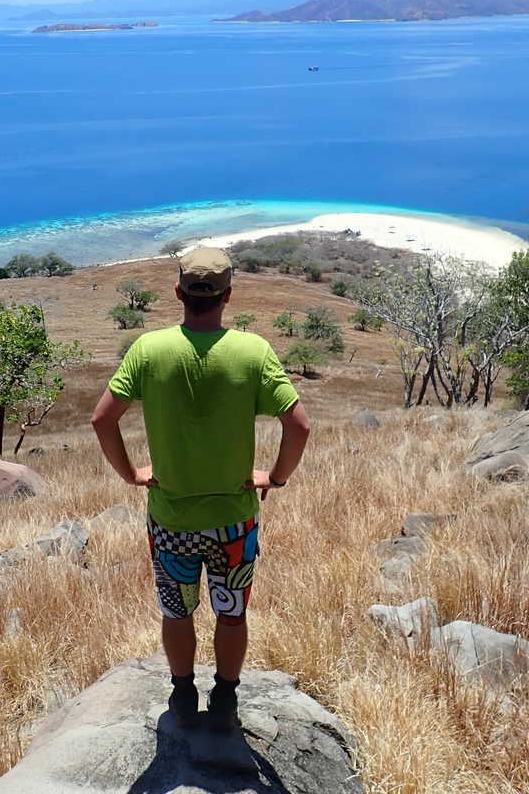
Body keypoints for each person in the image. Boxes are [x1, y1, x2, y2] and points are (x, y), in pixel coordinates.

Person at [90, 246, 311, 730]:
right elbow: (299, 427)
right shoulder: (253, 352)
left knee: (177, 612)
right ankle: (226, 699)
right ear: (228, 295)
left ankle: (184, 693)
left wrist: (131, 474)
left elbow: (102, 419)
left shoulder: (149, 350)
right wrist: (274, 478)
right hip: (235, 521)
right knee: (231, 615)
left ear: (178, 293)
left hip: (170, 520)